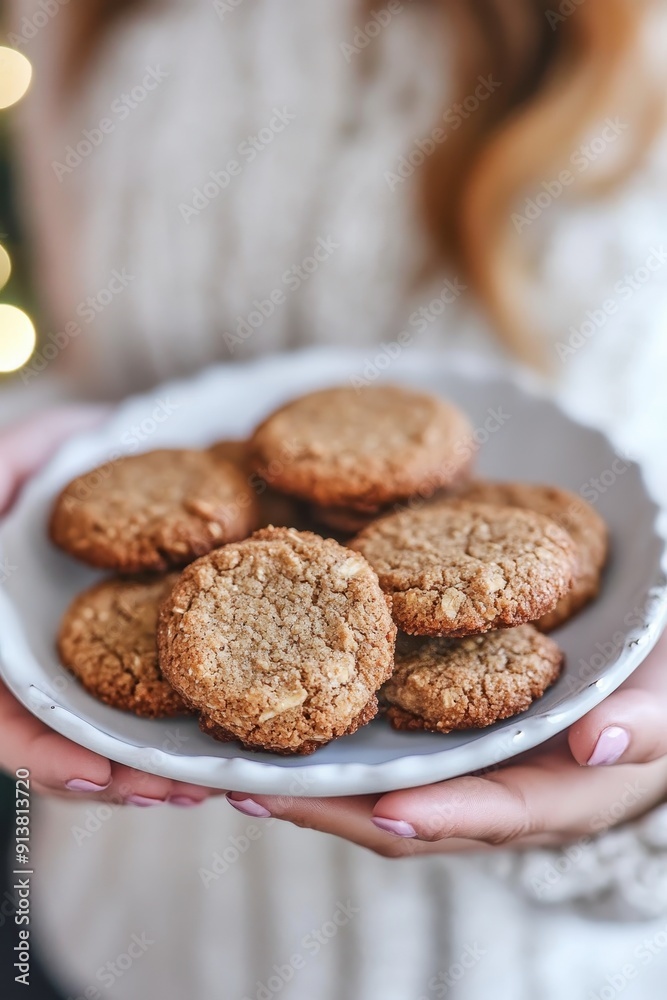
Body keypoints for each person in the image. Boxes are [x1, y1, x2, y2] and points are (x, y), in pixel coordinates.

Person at [2, 0, 667, 996]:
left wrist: (646, 805)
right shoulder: (72, 15)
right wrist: (32, 451)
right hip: (121, 923)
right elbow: (98, 371)